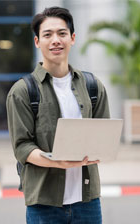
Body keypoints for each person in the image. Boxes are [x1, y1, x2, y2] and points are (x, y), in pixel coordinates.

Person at [6, 6, 110, 224]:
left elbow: (104, 136)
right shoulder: (23, 91)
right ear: (37, 42)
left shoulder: (92, 86)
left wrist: (102, 149)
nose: (56, 40)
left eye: (62, 33)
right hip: (44, 205)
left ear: (72, 38)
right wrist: (56, 161)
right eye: (47, 34)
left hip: (87, 202)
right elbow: (22, 147)